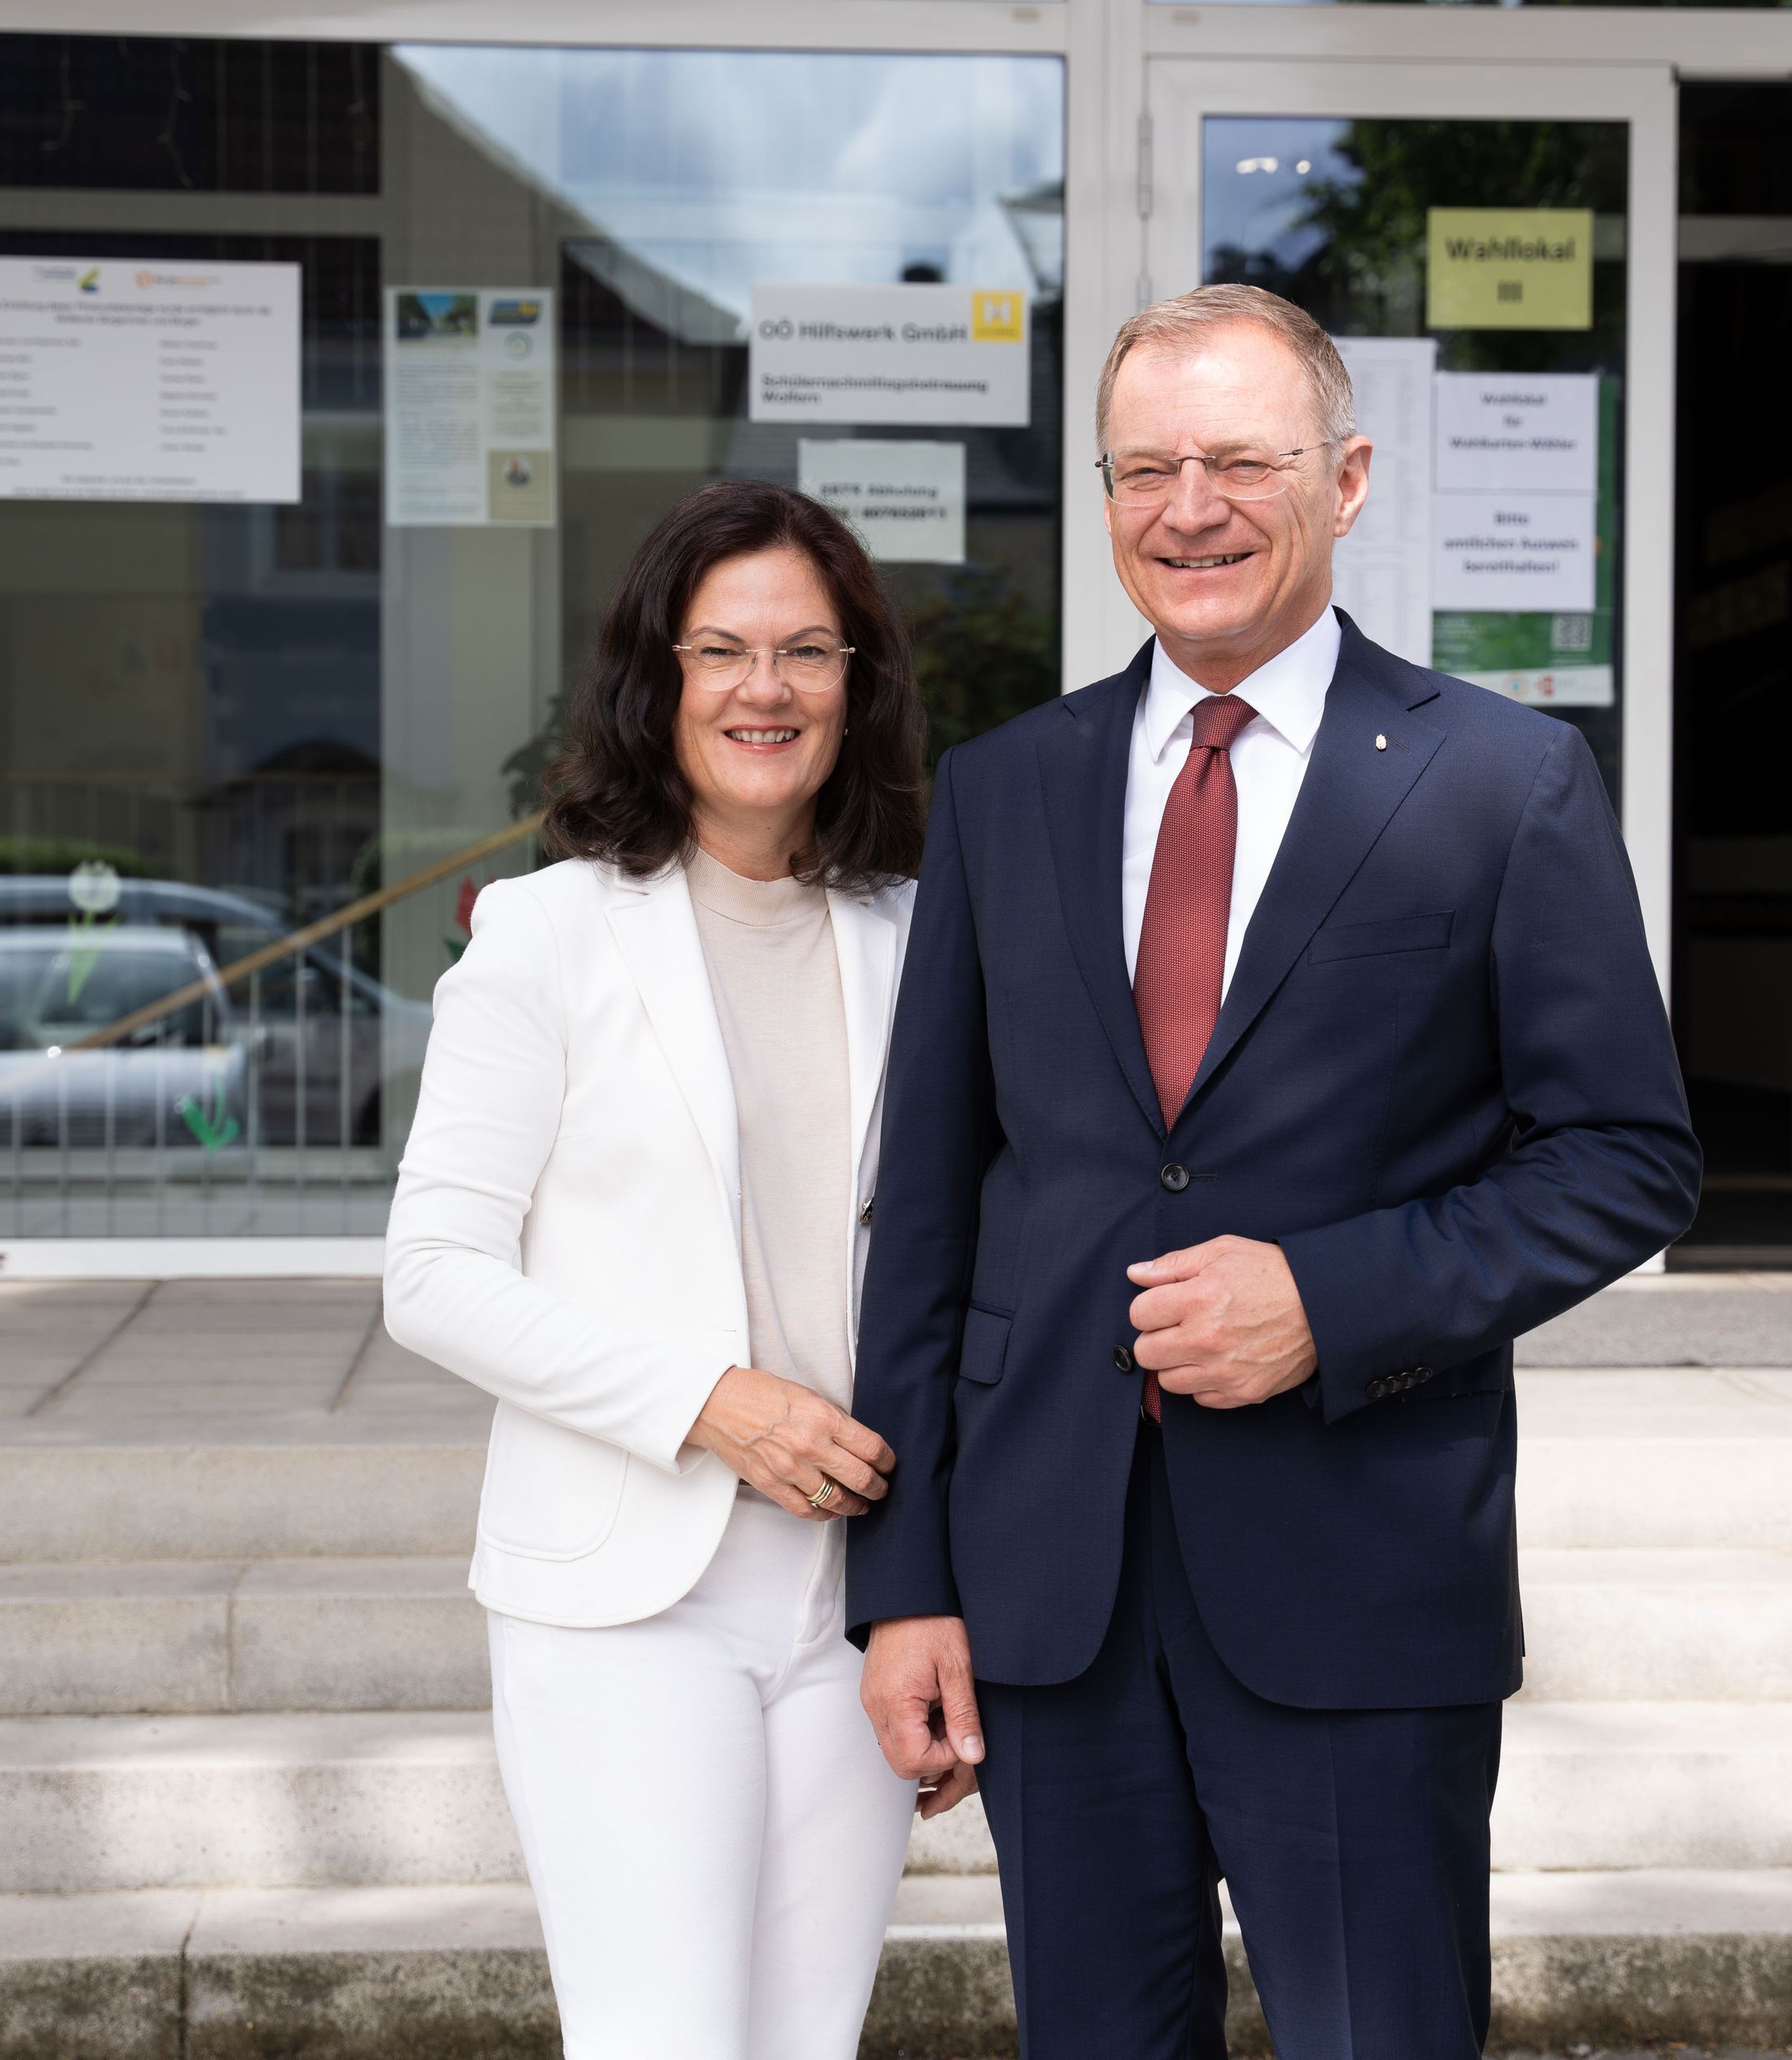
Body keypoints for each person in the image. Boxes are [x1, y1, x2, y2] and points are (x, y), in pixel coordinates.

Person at [847, 286, 1702, 2058]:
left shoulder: (1501, 781)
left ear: (1348, 474)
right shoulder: (1005, 787)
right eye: (1144, 467)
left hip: (1356, 1564)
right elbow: (928, 1208)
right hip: (1048, 1580)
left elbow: (1624, 1156)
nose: (1188, 507)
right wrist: (905, 1576)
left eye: (1238, 459)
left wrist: (1331, 1295)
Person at [384, 479, 927, 2060]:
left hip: (851, 1590)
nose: (765, 687)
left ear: (855, 684)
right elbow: (431, 1270)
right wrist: (709, 1399)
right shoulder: (546, 934)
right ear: (658, 677)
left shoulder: (914, 929)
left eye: (807, 650)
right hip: (630, 1595)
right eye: (723, 648)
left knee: (803, 2043)